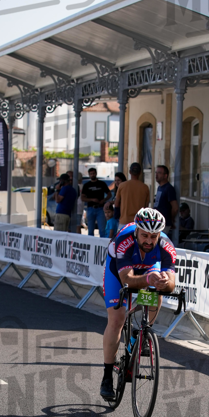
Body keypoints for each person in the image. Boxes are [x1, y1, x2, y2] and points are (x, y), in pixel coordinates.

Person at [100, 208, 176, 400]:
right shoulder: (124, 240)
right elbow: (127, 280)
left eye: (154, 236)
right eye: (145, 235)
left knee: (157, 290)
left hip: (147, 269)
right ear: (136, 231)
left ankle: (142, 331)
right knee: (117, 318)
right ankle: (107, 376)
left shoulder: (166, 246)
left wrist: (164, 282)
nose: (149, 241)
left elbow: (172, 283)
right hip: (119, 271)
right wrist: (150, 279)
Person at [81, 166, 111, 237]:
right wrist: (92, 199)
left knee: (102, 230)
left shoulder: (101, 183)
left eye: (93, 173)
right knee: (90, 230)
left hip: (100, 208)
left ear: (96, 174)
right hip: (90, 208)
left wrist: (104, 200)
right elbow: (82, 198)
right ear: (89, 175)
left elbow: (109, 194)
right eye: (91, 174)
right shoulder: (86, 185)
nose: (92, 175)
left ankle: (102, 245)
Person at [153, 165, 178, 235]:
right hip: (156, 222)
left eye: (159, 173)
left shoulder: (169, 188)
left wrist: (171, 218)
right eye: (156, 172)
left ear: (165, 175)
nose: (156, 175)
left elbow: (175, 208)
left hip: (163, 223)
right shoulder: (159, 188)